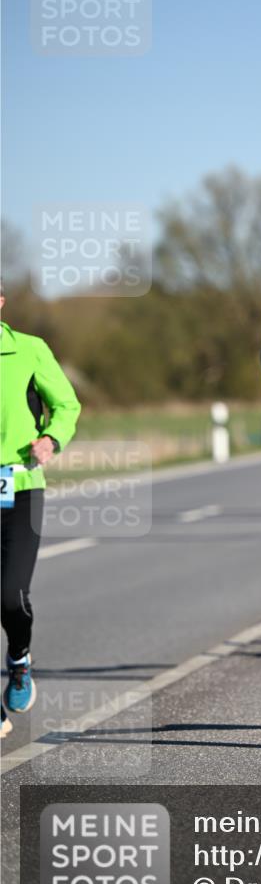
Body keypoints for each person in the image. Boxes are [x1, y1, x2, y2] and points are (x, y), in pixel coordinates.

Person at [0, 288, 81, 738]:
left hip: (21, 486)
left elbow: (67, 404)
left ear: (1, 301)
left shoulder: (28, 349)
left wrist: (51, 439)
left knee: (10, 595)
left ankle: (19, 659)